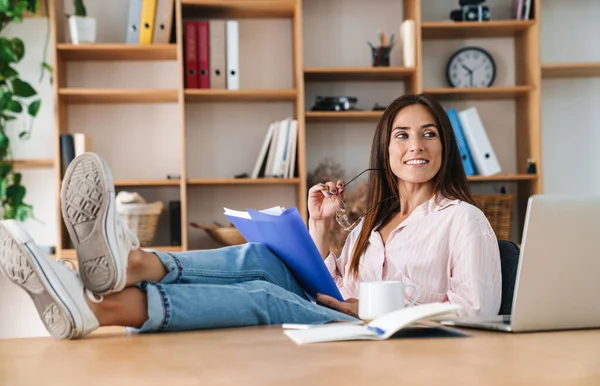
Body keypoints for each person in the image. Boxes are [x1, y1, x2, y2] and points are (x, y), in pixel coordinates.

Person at [0, 93, 501, 340]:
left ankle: (102, 306)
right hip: (345, 321)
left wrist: (377, 307)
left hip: (391, 338)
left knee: (262, 293)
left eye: (429, 134)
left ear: (445, 147)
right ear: (386, 149)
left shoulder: (462, 220)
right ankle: (129, 269)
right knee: (263, 257)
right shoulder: (371, 225)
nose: (416, 145)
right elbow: (328, 285)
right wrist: (321, 226)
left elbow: (478, 312)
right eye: (402, 135)